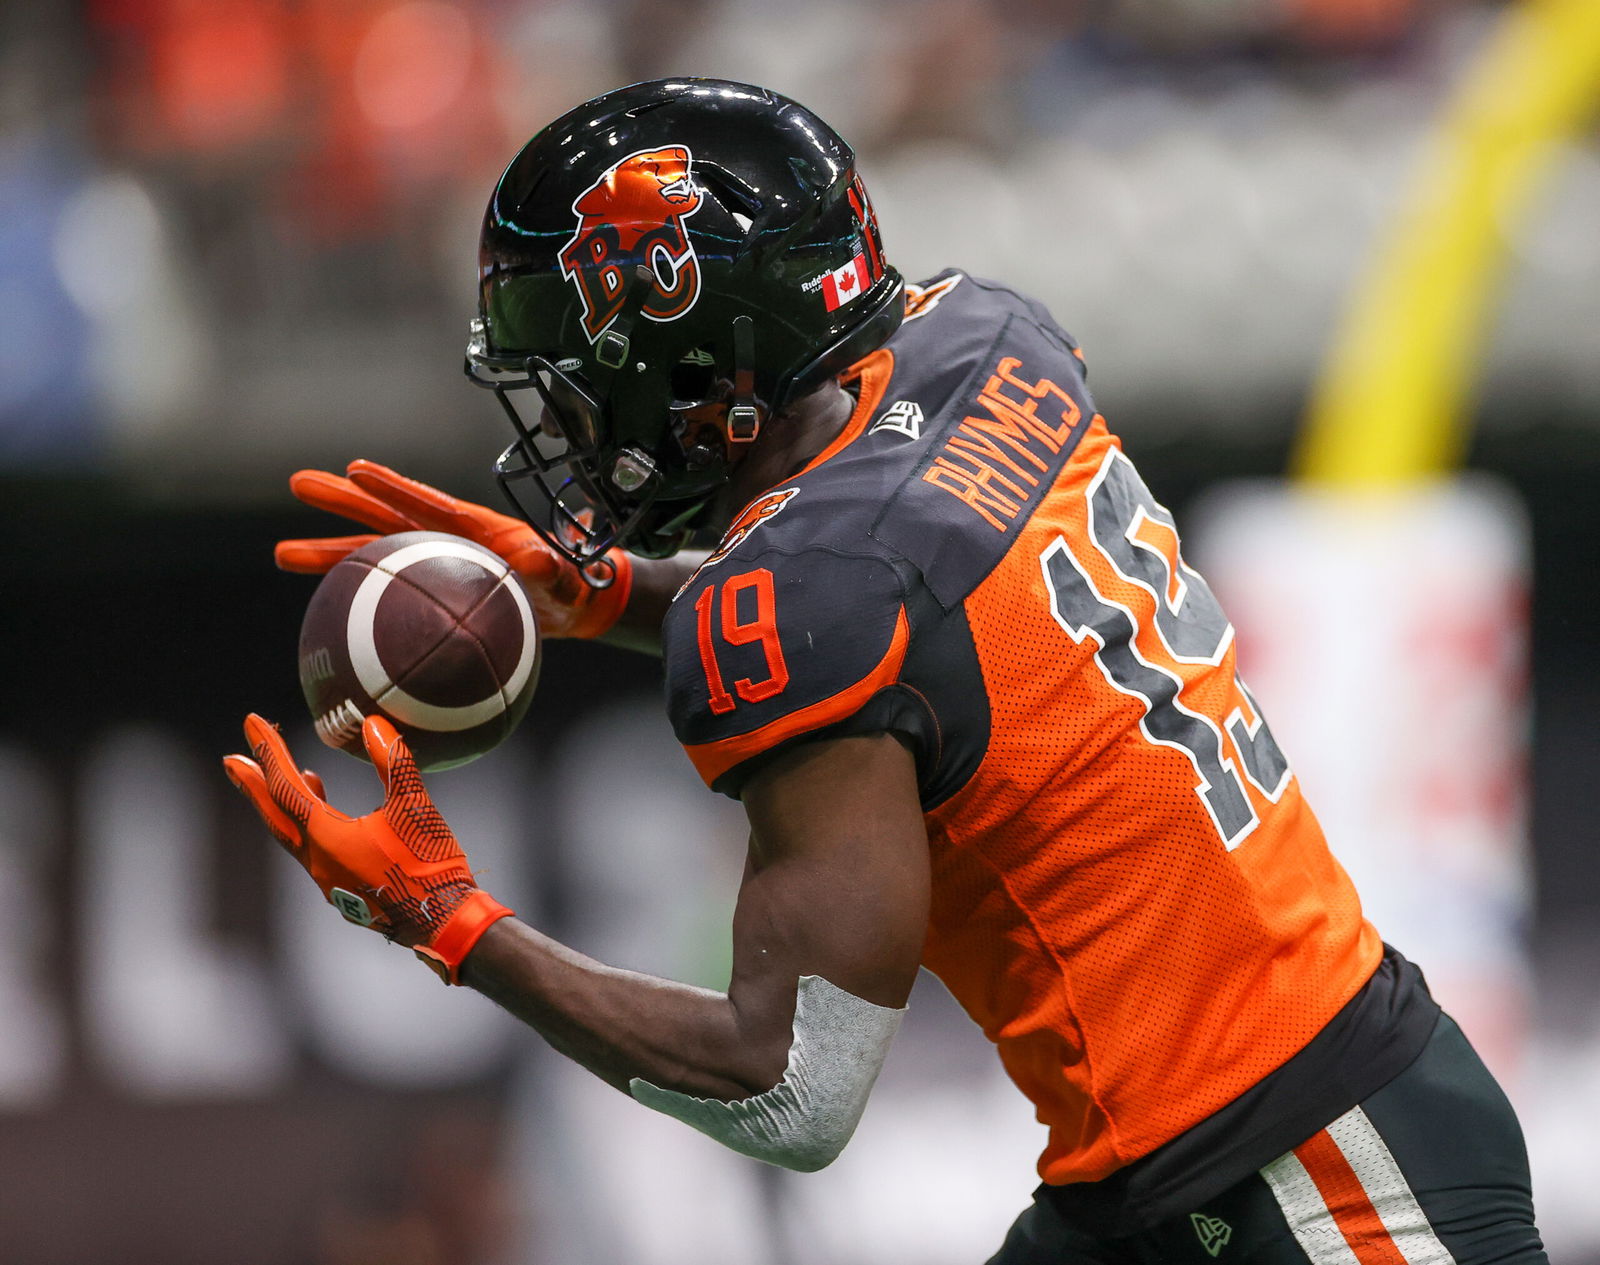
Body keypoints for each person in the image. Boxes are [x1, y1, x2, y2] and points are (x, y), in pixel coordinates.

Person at [223, 78, 1547, 1264]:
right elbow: (922, 613)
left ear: (694, 360)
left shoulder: (808, 600)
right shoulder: (978, 338)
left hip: (1314, 1166)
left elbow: (787, 1088)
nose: (564, 426)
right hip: (1178, 1158)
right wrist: (617, 594)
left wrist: (452, 925)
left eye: (576, 385)